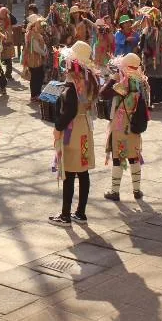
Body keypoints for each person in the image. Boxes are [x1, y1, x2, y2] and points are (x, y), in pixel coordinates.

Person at [49, 41, 100, 226]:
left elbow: (68, 112)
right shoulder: (90, 81)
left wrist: (57, 128)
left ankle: (65, 215)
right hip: (85, 127)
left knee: (69, 173)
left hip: (72, 131)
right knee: (83, 172)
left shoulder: (72, 85)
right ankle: (80, 213)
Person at [101, 53, 149, 201]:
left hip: (120, 124)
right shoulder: (141, 81)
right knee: (134, 157)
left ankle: (115, 191)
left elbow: (103, 94)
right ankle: (137, 190)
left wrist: (113, 80)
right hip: (134, 125)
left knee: (119, 157)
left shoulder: (121, 81)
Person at [139, 9, 162, 109]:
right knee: (160, 81)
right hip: (161, 60)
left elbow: (142, 45)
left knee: (151, 82)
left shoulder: (148, 31)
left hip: (151, 60)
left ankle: (151, 102)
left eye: (147, 18)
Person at [22, 14, 49, 101]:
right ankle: (35, 95)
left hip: (35, 59)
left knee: (37, 76)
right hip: (34, 59)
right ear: (34, 24)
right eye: (38, 23)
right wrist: (44, 53)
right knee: (36, 77)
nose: (40, 25)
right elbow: (36, 47)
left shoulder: (34, 33)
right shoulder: (32, 34)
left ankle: (36, 94)